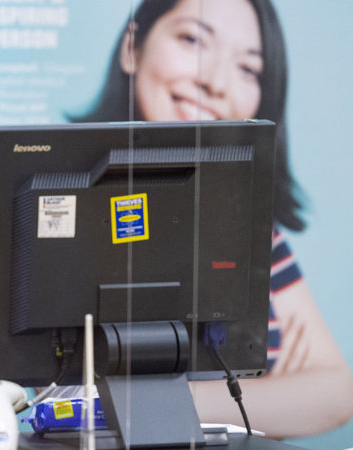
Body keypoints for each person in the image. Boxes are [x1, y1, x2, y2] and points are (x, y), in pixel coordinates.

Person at [71, 0, 353, 439]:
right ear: (133, 47)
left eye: (247, 68)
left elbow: (335, 393)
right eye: (191, 39)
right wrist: (267, 397)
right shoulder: (61, 212)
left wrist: (164, 403)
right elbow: (58, 398)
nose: (214, 80)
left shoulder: (252, 229)